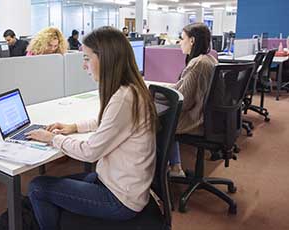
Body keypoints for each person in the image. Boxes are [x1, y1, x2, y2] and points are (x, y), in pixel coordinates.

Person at [25, 26, 158, 230]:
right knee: (54, 182)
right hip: (119, 182)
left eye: (87, 58)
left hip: (120, 199)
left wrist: (51, 138)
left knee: (37, 187)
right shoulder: (131, 89)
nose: (83, 66)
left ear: (105, 59)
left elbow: (89, 152)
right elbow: (107, 121)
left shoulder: (123, 98)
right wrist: (74, 126)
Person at [168, 22, 218, 176]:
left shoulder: (197, 64)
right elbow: (185, 87)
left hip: (198, 120)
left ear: (192, 41)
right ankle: (174, 166)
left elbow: (182, 102)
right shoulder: (209, 60)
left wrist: (155, 95)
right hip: (211, 119)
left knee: (158, 121)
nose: (179, 43)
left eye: (182, 38)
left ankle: (170, 170)